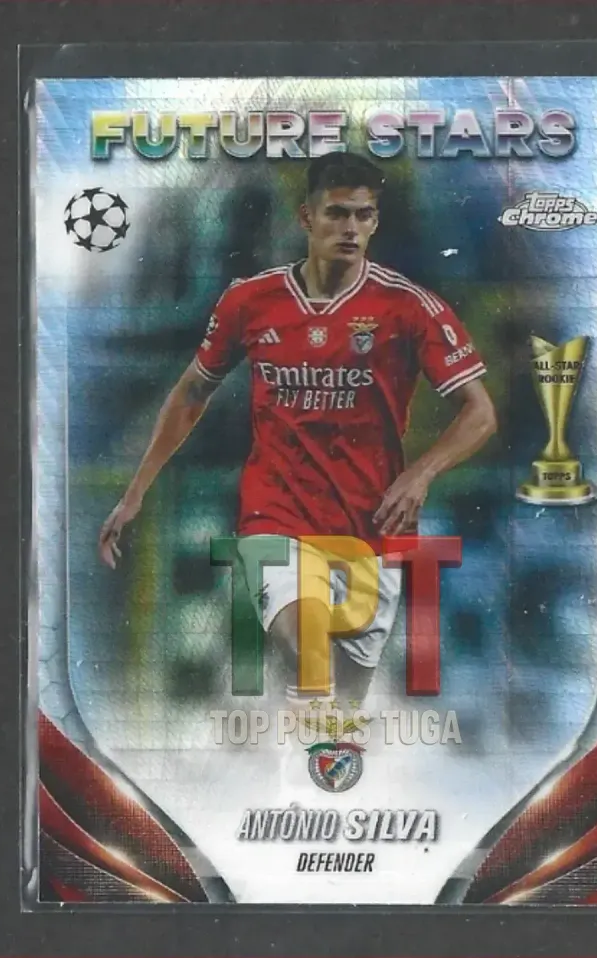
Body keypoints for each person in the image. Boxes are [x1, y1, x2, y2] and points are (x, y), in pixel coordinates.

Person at [99, 152, 497, 711]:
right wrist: (135, 491)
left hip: (369, 524)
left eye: (362, 215)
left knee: (345, 696)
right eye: (336, 213)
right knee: (311, 651)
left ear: (376, 222)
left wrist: (421, 473)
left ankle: (325, 752)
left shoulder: (408, 307)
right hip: (275, 517)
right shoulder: (249, 301)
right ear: (306, 217)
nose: (350, 228)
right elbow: (190, 394)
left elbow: (480, 412)